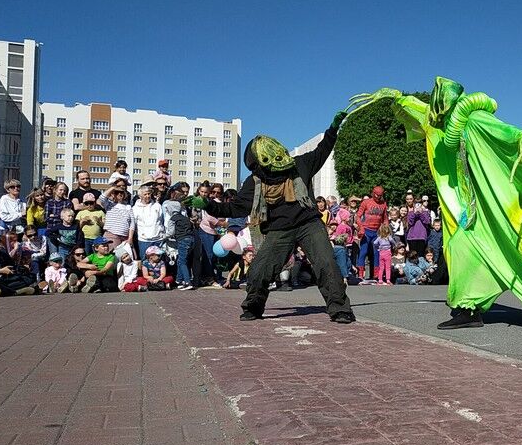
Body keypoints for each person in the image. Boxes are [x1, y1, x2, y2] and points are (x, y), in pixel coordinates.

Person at [348, 79, 522, 335]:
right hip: (471, 213)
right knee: (461, 249)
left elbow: (506, 133)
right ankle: (469, 309)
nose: (434, 111)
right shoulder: (438, 123)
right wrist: (397, 98)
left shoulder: (474, 120)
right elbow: (421, 110)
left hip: (498, 208)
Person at [190, 111, 356, 323]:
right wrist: (207, 204)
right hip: (279, 229)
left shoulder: (299, 165)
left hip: (309, 223)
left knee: (326, 263)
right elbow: (236, 208)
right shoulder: (255, 181)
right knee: (260, 269)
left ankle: (340, 309)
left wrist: (332, 129)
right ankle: (253, 306)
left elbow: (322, 150)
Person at [356, 186, 388, 280]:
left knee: (376, 253)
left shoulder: (383, 204)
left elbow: (385, 218)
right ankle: (360, 274)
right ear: (373, 193)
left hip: (376, 232)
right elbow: (358, 216)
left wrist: (386, 229)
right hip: (366, 230)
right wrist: (361, 228)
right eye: (376, 195)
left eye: (380, 195)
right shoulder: (366, 202)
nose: (378, 197)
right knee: (363, 251)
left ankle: (376, 275)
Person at [165, 200, 195, 290]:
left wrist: (163, 236)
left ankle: (187, 281)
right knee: (181, 260)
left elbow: (171, 232)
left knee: (182, 261)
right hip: (191, 240)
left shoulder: (173, 219)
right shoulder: (185, 218)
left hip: (182, 240)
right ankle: (179, 280)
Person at [132, 185, 165, 259]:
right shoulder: (135, 209)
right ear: (140, 196)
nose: (147, 196)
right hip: (144, 240)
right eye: (145, 194)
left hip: (158, 239)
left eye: (149, 194)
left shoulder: (157, 206)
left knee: (159, 262)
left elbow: (161, 220)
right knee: (145, 261)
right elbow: (134, 225)